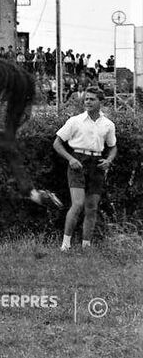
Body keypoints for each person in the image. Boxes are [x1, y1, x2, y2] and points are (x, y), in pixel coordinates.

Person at [53, 87, 117, 251]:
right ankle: (65, 246)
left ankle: (86, 246)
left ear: (100, 102)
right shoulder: (75, 121)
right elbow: (57, 144)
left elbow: (113, 146)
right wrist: (71, 159)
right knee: (78, 204)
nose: (88, 102)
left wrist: (108, 160)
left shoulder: (108, 124)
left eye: (92, 99)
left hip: (97, 164)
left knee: (92, 207)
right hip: (78, 162)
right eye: (86, 99)